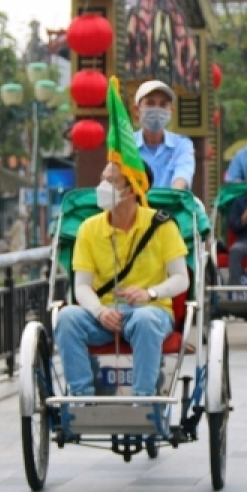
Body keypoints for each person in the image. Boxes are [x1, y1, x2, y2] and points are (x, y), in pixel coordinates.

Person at [55, 162, 188, 397]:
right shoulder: (88, 229)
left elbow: (181, 279)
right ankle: (81, 398)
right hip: (105, 313)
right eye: (102, 178)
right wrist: (99, 311)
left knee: (146, 319)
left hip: (151, 311)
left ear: (132, 189)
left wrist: (150, 293)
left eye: (111, 181)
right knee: (66, 317)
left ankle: (144, 401)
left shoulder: (162, 224)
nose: (102, 186)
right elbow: (82, 286)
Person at [133, 80, 195, 190]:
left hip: (171, 205)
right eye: (150, 103)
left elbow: (182, 177)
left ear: (171, 111)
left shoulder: (182, 145)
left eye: (163, 104)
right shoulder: (126, 144)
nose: (157, 109)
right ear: (137, 110)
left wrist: (171, 196)